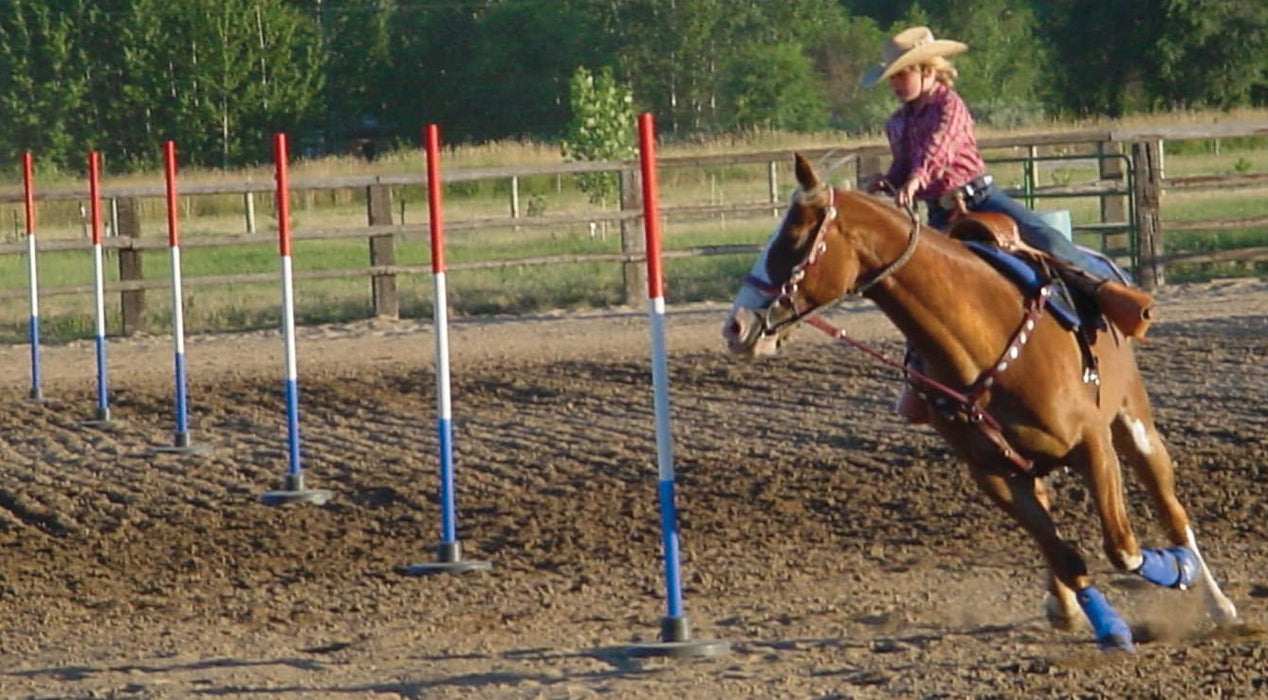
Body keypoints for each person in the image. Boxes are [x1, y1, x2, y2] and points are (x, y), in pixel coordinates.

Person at [859, 26, 1149, 423]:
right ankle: (924, 381)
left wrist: (915, 180)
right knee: (918, 291)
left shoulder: (951, 107)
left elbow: (937, 152)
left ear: (928, 70)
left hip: (982, 200)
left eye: (901, 74)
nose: (895, 83)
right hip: (940, 213)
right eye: (892, 76)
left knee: (1047, 239)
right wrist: (891, 180)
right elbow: (906, 163)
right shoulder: (897, 123)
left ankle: (1108, 299)